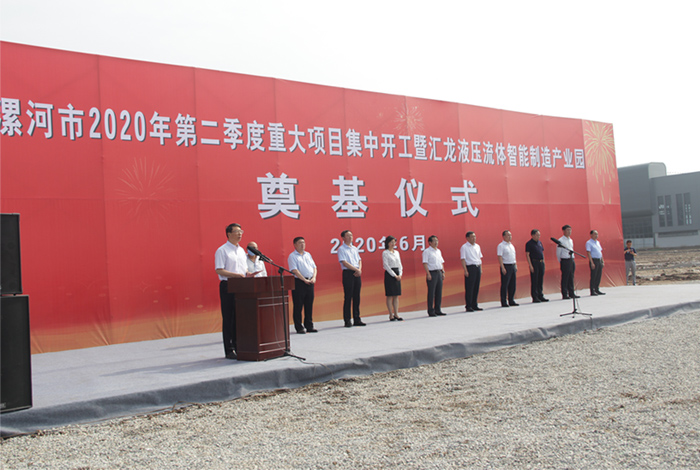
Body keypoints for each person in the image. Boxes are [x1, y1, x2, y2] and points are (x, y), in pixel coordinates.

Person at [215, 223, 254, 360]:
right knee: (229, 318)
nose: (240, 234)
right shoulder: (222, 250)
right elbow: (219, 270)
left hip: (241, 286)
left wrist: (248, 273)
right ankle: (229, 349)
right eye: (237, 231)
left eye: (241, 231)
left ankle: (240, 346)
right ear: (229, 234)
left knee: (240, 317)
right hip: (228, 286)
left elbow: (243, 269)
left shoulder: (242, 251)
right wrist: (236, 275)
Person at [288, 237, 318, 334]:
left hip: (310, 281)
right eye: (300, 243)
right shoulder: (292, 256)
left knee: (309, 305)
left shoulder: (308, 254)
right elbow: (294, 270)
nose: (302, 244)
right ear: (295, 245)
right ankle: (299, 327)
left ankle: (309, 325)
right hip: (299, 282)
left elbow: (314, 267)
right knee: (298, 305)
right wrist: (304, 280)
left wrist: (314, 277)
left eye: (303, 242)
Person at [337, 230, 365, 327]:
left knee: (357, 296)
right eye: (348, 236)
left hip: (357, 273)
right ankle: (347, 320)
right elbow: (344, 262)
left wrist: (359, 269)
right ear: (343, 238)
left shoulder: (354, 248)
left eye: (351, 235)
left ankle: (357, 318)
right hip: (348, 273)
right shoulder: (341, 249)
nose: (350, 237)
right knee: (348, 297)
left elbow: (359, 260)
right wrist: (356, 269)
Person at [422, 235, 446, 317]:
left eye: (437, 240)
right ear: (430, 242)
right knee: (431, 293)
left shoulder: (438, 251)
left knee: (439, 292)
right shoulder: (427, 251)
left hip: (439, 272)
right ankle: (431, 310)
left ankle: (438, 309)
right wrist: (428, 273)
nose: (436, 242)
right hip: (432, 273)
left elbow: (441, 262)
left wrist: (443, 272)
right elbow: (425, 263)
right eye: (434, 241)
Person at [460, 231, 483, 312]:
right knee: (469, 287)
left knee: (476, 287)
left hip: (477, 267)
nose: (474, 238)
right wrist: (465, 270)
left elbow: (479, 258)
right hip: (470, 268)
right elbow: (463, 259)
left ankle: (475, 304)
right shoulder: (464, 247)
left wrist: (481, 268)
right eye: (472, 237)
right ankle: (468, 305)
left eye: (475, 237)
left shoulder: (477, 246)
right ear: (467, 238)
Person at [382, 236, 403, 321]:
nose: (393, 244)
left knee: (396, 295)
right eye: (391, 242)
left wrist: (400, 274)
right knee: (390, 295)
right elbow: (386, 266)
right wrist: (394, 275)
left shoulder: (397, 252)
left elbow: (400, 264)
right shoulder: (385, 253)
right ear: (387, 243)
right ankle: (391, 314)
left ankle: (396, 314)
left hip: (397, 273)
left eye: (394, 242)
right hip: (390, 274)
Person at [525, 229, 549, 303]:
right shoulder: (529, 243)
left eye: (539, 235)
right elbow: (527, 255)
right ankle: (535, 297)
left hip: (541, 262)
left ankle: (540, 295)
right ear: (532, 235)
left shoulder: (539, 243)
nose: (539, 236)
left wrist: (543, 262)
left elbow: (542, 252)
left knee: (540, 280)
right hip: (534, 262)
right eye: (537, 235)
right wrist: (530, 265)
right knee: (535, 280)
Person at [556, 224, 580, 300]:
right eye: (567, 230)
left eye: (570, 230)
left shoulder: (571, 240)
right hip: (565, 260)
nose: (569, 231)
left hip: (571, 259)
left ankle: (571, 293)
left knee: (571, 277)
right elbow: (558, 253)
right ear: (563, 231)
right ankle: (565, 294)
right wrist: (561, 261)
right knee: (565, 277)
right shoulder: (560, 240)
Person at [497, 230, 518, 307]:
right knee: (505, 284)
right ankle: (504, 301)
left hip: (512, 265)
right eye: (508, 235)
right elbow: (500, 256)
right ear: (504, 236)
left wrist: (515, 265)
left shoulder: (511, 245)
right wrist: (502, 267)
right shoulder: (501, 245)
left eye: (510, 235)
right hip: (506, 266)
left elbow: (513, 256)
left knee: (513, 284)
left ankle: (511, 300)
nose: (510, 237)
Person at [586, 230, 605, 296]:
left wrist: (602, 261)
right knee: (593, 276)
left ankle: (597, 289)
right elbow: (588, 253)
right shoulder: (589, 243)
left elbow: (600, 252)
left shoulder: (598, 242)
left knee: (598, 275)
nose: (596, 235)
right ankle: (592, 290)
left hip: (599, 260)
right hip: (594, 260)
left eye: (597, 234)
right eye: (595, 234)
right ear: (591, 235)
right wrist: (592, 262)